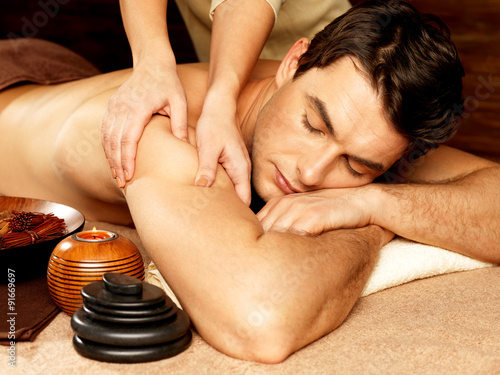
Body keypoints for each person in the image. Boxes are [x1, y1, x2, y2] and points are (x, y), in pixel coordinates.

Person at [0, 1, 498, 363]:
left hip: (62, 75)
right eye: (314, 125)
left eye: (358, 165)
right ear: (292, 63)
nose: (312, 173)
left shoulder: (357, 119)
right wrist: (374, 222)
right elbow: (260, 321)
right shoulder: (169, 136)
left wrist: (375, 199)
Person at [102, 0, 351, 206]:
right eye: (312, 125)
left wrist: (221, 102)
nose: (310, 173)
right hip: (232, 74)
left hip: (326, 78)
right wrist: (151, 61)